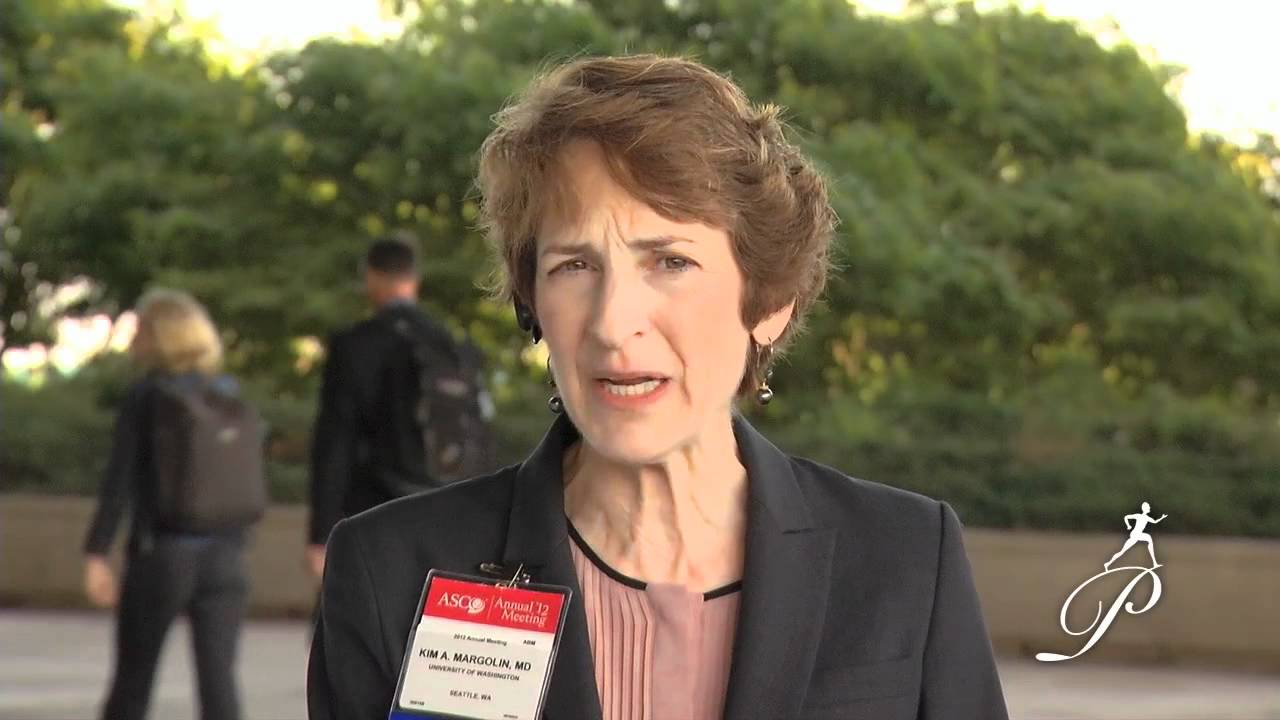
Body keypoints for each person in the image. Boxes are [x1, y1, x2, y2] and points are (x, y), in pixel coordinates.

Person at [308, 55, 1009, 720]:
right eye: (574, 266)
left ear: (770, 302)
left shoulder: (905, 557)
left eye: (670, 261)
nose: (613, 324)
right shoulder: (389, 570)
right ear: (533, 305)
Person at [84, 289, 258, 720]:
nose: (132, 340)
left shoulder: (147, 397)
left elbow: (119, 481)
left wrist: (96, 552)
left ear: (158, 337)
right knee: (219, 684)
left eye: (140, 330)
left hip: (163, 555)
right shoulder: (226, 394)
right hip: (227, 556)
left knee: (133, 682)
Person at [306, 233, 494, 580]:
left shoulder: (356, 346)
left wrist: (321, 533)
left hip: (373, 512)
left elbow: (335, 444)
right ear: (415, 279)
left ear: (371, 277)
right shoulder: (448, 344)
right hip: (446, 510)